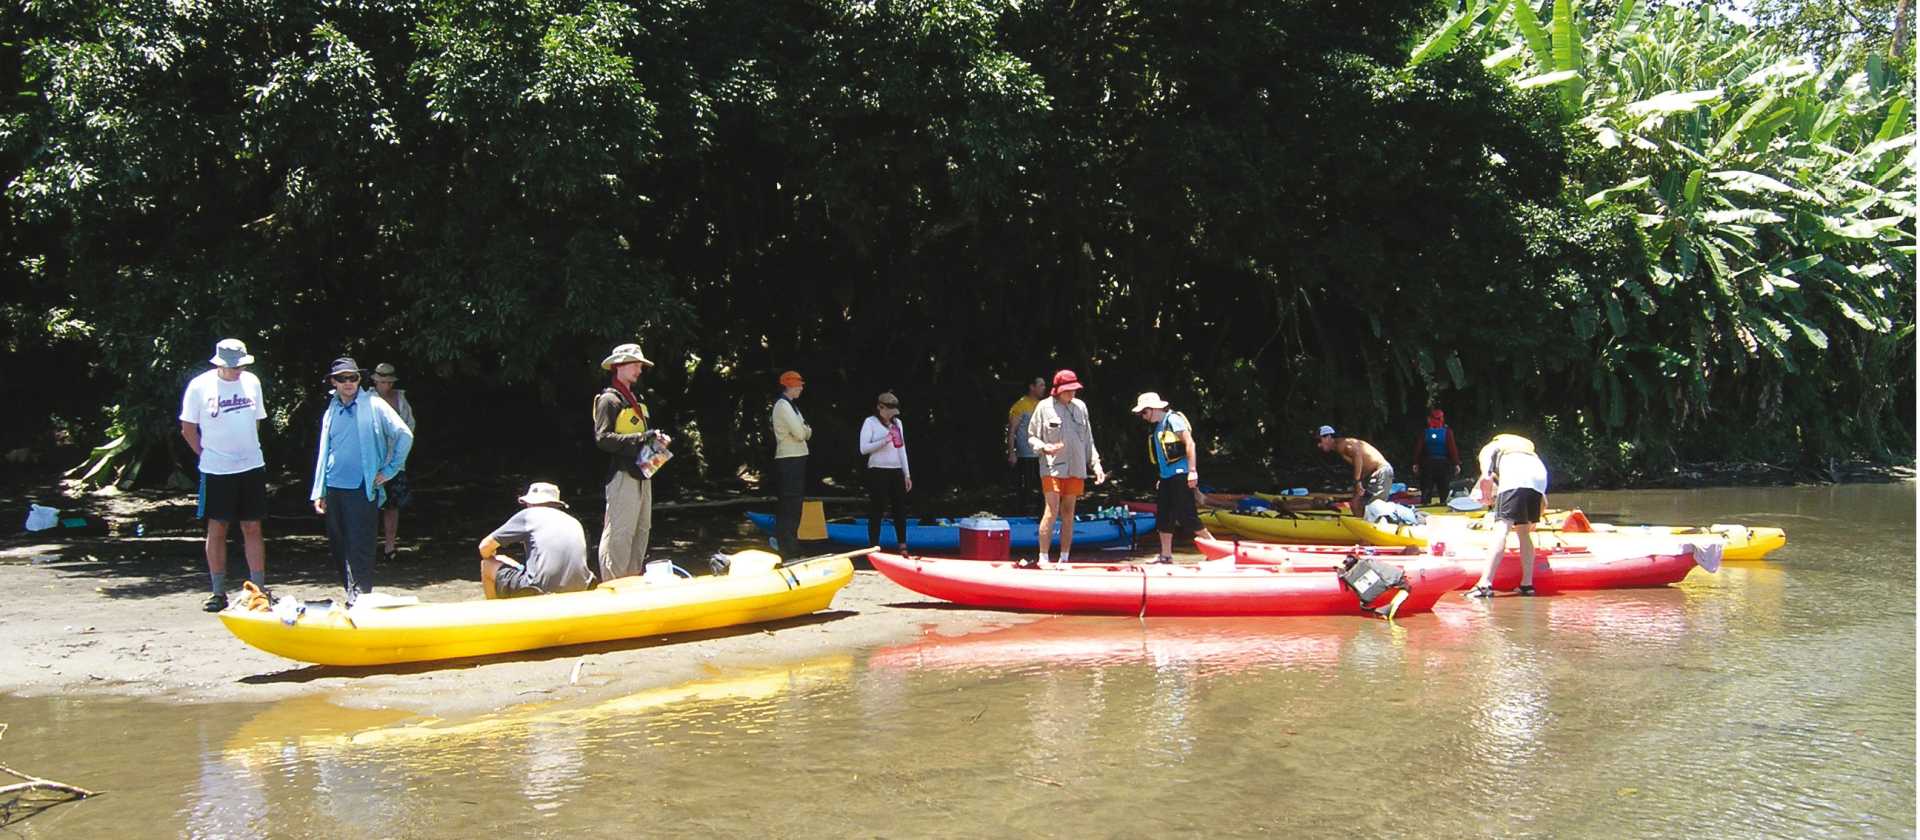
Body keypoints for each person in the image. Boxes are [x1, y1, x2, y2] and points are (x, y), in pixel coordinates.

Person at [310, 358, 413, 603]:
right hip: (334, 485)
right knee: (338, 544)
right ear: (333, 382)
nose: (349, 383)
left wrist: (389, 471)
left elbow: (404, 435)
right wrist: (319, 490)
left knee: (361, 543)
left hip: (362, 486)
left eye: (353, 377)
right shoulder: (332, 408)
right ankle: (351, 593)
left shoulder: (374, 405)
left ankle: (360, 595)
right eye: (343, 378)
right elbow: (325, 449)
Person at [179, 338, 269, 612]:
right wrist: (205, 454)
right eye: (232, 366)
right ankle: (218, 591)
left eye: (240, 365)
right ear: (218, 364)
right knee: (217, 527)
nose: (237, 370)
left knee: (252, 527)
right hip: (217, 469)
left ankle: (259, 590)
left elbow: (256, 420)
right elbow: (188, 428)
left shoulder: (252, 382)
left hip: (251, 465)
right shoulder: (199, 386)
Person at [593, 343, 669, 580]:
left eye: (640, 365)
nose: (639, 369)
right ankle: (613, 584)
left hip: (644, 472)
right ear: (619, 366)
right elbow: (602, 438)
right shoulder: (609, 399)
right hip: (622, 475)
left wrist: (658, 442)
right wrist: (643, 437)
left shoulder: (637, 398)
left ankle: (633, 579)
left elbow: (641, 438)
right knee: (620, 532)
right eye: (635, 364)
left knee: (642, 529)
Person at [1027, 369, 1105, 565]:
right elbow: (1032, 437)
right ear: (1057, 390)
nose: (1072, 394)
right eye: (1068, 390)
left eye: (1074, 390)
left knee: (1069, 511)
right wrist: (1044, 446)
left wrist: (1096, 465)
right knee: (1051, 509)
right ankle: (1043, 557)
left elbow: (1088, 440)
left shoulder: (1081, 407)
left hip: (1076, 468)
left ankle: (1064, 558)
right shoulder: (1044, 407)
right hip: (1052, 467)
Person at [1131, 392, 1213, 563]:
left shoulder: (1173, 420)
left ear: (1153, 409)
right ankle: (1166, 555)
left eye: (1144, 413)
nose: (1143, 417)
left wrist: (1192, 471)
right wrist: (1162, 477)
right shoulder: (1158, 426)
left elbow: (1190, 443)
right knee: (1164, 516)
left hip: (1181, 475)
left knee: (1187, 516)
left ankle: (1215, 549)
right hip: (1167, 477)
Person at [1465, 434, 1549, 598]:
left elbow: (1486, 477)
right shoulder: (1528, 452)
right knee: (1524, 531)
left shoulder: (1490, 448)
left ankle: (1484, 584)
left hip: (1515, 476)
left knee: (1501, 528)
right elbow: (1544, 500)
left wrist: (1486, 492)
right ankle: (1527, 585)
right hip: (1540, 477)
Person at [480, 482, 593, 599]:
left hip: (538, 589)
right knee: (505, 560)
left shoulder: (528, 515)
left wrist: (491, 555)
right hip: (581, 587)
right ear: (557, 504)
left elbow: (484, 547)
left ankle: (495, 612)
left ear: (530, 503)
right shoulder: (573, 521)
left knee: (487, 564)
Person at [370, 363, 416, 563]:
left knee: (392, 505)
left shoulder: (401, 398)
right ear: (375, 381)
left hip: (395, 460)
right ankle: (368, 546)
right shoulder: (367, 398)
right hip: (372, 460)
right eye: (382, 382)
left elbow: (409, 426)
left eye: (389, 382)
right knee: (369, 504)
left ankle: (390, 545)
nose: (386, 385)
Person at [859, 391, 912, 552]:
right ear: (880, 408)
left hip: (895, 469)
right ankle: (873, 545)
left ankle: (902, 544)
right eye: (888, 412)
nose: (891, 416)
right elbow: (863, 448)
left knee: (900, 508)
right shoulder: (870, 422)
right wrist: (884, 440)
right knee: (877, 508)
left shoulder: (898, 423)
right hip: (878, 470)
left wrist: (906, 473)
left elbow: (901, 449)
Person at [770, 370, 812, 558]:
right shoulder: (783, 405)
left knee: (795, 503)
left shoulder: (792, 406)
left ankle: (791, 545)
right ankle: (788, 547)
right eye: (799, 384)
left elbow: (804, 431)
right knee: (789, 503)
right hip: (789, 458)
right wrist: (804, 430)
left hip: (797, 456)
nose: (802, 388)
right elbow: (801, 433)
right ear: (790, 385)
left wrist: (804, 430)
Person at [1315, 425, 1393, 515]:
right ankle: (1359, 523)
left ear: (1328, 437)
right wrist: (1359, 484)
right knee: (1356, 503)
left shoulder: (1342, 444)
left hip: (1381, 472)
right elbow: (1363, 464)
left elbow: (1357, 456)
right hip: (1370, 475)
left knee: (1374, 507)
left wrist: (1357, 481)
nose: (1318, 445)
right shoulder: (1340, 447)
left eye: (1319, 440)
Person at [1005, 376, 1047, 501]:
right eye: (1041, 385)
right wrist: (1012, 453)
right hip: (1026, 454)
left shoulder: (1042, 405)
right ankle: (1024, 511)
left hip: (1041, 453)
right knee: (1026, 487)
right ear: (1032, 387)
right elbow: (1012, 430)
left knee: (1042, 487)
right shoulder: (1020, 405)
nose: (1044, 388)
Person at [1411, 408, 1460, 506]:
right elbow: (1452, 449)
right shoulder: (1447, 432)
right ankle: (1443, 502)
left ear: (1429, 419)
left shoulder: (1425, 432)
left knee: (1426, 485)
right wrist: (1456, 463)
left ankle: (1425, 503)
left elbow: (1418, 449)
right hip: (1443, 463)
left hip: (1428, 463)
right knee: (1443, 485)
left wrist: (1415, 462)